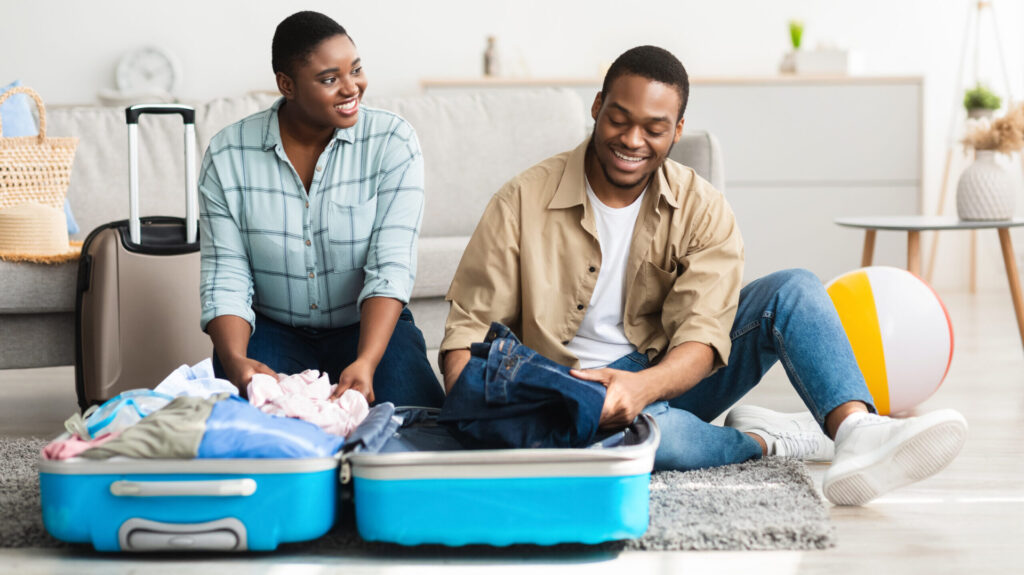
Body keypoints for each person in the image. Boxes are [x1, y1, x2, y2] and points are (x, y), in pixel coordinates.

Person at [439, 45, 967, 505]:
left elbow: (702, 338)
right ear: (597, 108)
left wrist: (641, 389)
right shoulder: (522, 200)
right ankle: (767, 441)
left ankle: (856, 431)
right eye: (620, 119)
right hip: (564, 392)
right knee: (662, 443)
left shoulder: (702, 207)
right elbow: (466, 338)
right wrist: (498, 417)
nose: (633, 140)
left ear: (678, 130)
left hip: (664, 371)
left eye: (654, 128)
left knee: (794, 289)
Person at [198, 11, 444, 408]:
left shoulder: (392, 142)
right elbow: (225, 274)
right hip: (273, 329)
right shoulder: (228, 155)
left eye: (356, 70)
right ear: (287, 85)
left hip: (365, 327)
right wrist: (236, 360)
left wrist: (366, 361)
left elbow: (390, 266)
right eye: (330, 79)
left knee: (415, 421)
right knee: (261, 425)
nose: (352, 88)